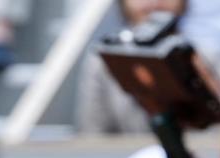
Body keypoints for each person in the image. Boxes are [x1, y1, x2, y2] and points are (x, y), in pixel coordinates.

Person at [76, 0, 183, 136]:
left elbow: (212, 138)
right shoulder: (102, 61)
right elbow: (92, 135)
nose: (155, 3)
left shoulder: (204, 58)